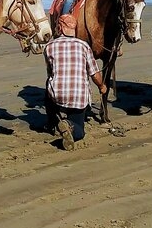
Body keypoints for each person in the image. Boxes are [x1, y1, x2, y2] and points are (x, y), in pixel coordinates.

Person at [43, 14, 106, 150]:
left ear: (59, 28)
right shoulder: (83, 46)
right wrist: (101, 86)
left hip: (57, 96)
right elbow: (94, 74)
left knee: (48, 85)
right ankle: (69, 125)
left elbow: (50, 72)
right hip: (78, 97)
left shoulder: (49, 47)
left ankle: (52, 122)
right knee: (80, 132)